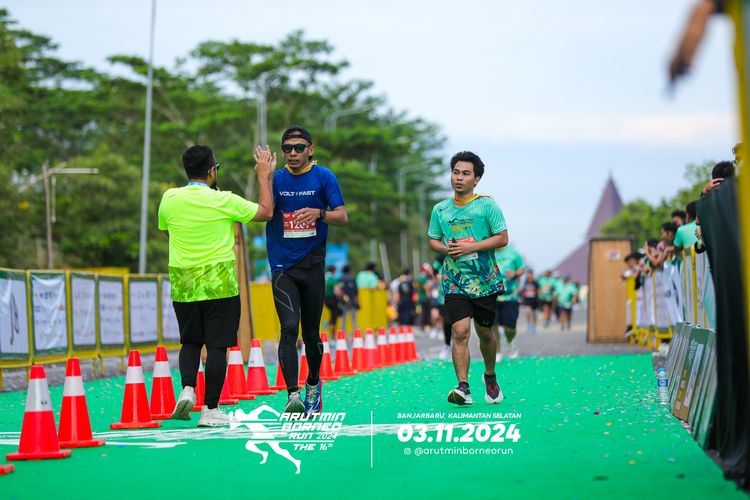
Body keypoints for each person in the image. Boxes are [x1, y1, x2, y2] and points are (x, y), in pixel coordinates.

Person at [160, 144, 274, 426]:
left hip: (184, 281)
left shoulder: (169, 198)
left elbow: (165, 227)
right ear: (212, 171)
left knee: (190, 341)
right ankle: (210, 409)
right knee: (217, 347)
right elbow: (266, 212)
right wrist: (263, 175)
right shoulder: (225, 200)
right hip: (219, 283)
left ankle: (188, 389)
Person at [266, 125, 348, 415]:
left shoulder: (324, 177)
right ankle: (292, 394)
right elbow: (265, 211)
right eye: (287, 148)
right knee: (289, 328)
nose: (293, 153)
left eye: (299, 148)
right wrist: (263, 176)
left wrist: (319, 213)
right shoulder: (276, 178)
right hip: (282, 266)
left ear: (310, 150)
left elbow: (342, 216)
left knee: (311, 334)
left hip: (312, 265)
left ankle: (313, 381)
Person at [428, 151, 508, 406]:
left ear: (477, 179)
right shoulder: (440, 209)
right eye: (455, 172)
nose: (459, 178)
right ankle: (463, 387)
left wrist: (471, 247)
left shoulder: (487, 206)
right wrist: (446, 249)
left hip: (484, 280)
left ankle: (490, 375)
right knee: (460, 331)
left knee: (485, 333)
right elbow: (433, 239)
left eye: (465, 173)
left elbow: (502, 238)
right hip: (455, 280)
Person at [494, 244, 525, 361]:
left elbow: (522, 269)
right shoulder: (487, 252)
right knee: (493, 325)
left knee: (509, 328)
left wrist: (515, 274)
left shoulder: (513, 253)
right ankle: (497, 352)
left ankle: (510, 341)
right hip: (492, 296)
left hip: (511, 296)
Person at [339, 264, 359, 332]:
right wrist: (357, 301)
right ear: (349, 271)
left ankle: (342, 333)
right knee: (354, 318)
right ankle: (356, 333)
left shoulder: (340, 279)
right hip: (352, 301)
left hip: (343, 301)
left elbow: (340, 290)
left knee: (343, 318)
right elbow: (356, 291)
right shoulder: (352, 279)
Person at [324, 265, 341, 336]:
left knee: (326, 315)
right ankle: (332, 333)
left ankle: (325, 328)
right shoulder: (333, 279)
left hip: (324, 299)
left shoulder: (324, 277)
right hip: (332, 299)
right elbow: (337, 291)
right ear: (334, 271)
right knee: (335, 315)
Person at [521, 269, 539, 334]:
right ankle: (528, 325)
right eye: (528, 274)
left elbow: (538, 290)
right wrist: (522, 297)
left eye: (530, 274)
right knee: (528, 312)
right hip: (527, 299)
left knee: (534, 314)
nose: (529, 275)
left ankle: (534, 326)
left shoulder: (535, 282)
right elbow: (523, 291)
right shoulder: (525, 283)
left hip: (534, 300)